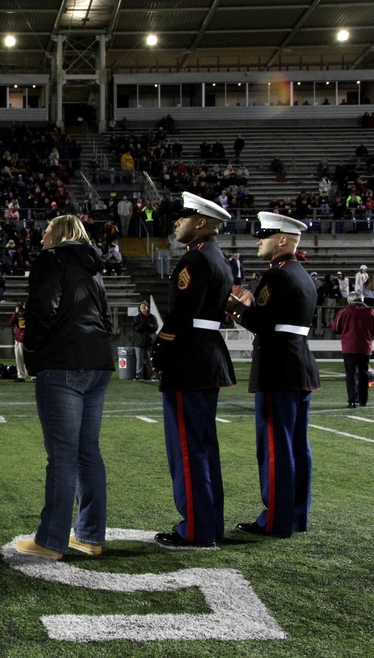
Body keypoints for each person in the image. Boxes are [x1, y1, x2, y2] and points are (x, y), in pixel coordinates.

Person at [15, 214, 115, 559]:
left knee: (62, 455)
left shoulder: (51, 258)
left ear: (57, 233)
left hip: (64, 363)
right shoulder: (93, 268)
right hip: (98, 362)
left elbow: (43, 310)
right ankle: (90, 536)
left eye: (45, 229)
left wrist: (32, 353)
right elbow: (106, 318)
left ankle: (51, 540)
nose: (41, 236)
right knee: (88, 451)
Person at [226, 213, 320, 538]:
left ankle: (275, 521)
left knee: (275, 446)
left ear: (282, 239)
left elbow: (260, 323)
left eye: (264, 235)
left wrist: (235, 306)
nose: (259, 241)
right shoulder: (304, 275)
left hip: (277, 365)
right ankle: (296, 516)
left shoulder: (275, 276)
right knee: (296, 445)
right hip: (299, 364)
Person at [151, 191, 236, 550]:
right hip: (207, 357)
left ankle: (196, 530)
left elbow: (181, 315)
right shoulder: (218, 259)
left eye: (183, 217)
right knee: (202, 447)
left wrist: (161, 349)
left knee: (187, 449)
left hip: (189, 358)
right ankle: (209, 523)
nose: (177, 223)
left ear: (200, 222)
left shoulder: (195, 260)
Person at [331, 291, 374, 408]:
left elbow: (336, 328)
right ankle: (363, 399)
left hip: (349, 346)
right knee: (364, 373)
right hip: (365, 346)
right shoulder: (371, 312)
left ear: (350, 300)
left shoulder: (344, 312)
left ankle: (353, 400)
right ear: (362, 300)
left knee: (351, 374)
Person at [132, 300, 158, 381]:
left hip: (149, 342)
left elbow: (155, 327)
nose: (143, 309)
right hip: (139, 342)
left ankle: (152, 375)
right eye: (141, 307)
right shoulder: (136, 318)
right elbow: (136, 328)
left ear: (147, 308)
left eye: (144, 307)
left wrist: (148, 325)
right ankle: (139, 376)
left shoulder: (152, 317)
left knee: (150, 360)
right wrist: (144, 324)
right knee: (139, 360)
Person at [9, 302, 29, 382]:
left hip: (27, 337)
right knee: (19, 357)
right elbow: (11, 322)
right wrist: (16, 313)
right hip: (19, 337)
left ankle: (32, 375)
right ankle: (21, 375)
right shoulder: (18, 315)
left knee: (28, 358)